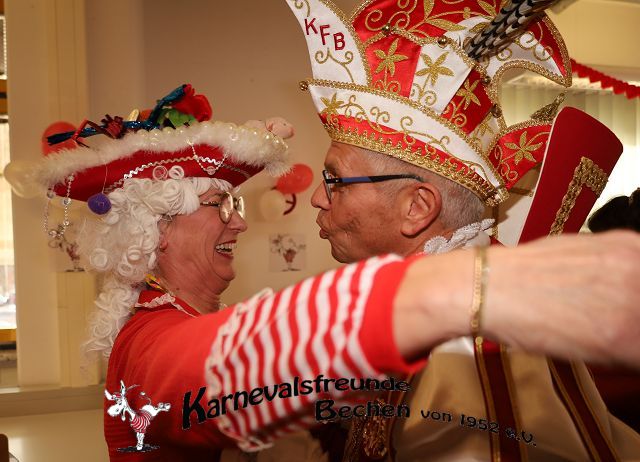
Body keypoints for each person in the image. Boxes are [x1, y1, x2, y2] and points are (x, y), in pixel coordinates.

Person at [7, 94, 640, 461]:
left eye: (334, 180)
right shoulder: (149, 339)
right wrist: (433, 294)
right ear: (156, 232)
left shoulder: (185, 316)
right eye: (219, 205)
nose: (239, 222)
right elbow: (199, 376)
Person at [285, 0, 640, 460]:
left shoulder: (467, 339)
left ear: (417, 207)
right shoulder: (438, 302)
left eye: (335, 180)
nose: (317, 197)